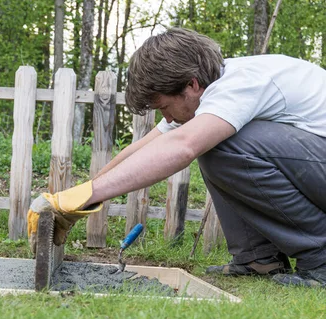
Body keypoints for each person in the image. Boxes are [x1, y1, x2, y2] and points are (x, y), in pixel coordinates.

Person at [27, 28, 326, 288]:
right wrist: (80, 198)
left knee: (222, 145)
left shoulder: (240, 85)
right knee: (216, 140)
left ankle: (321, 260)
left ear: (191, 85)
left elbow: (182, 147)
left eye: (164, 106)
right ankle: (258, 260)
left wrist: (89, 194)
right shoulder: (207, 94)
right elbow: (145, 148)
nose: (166, 117)